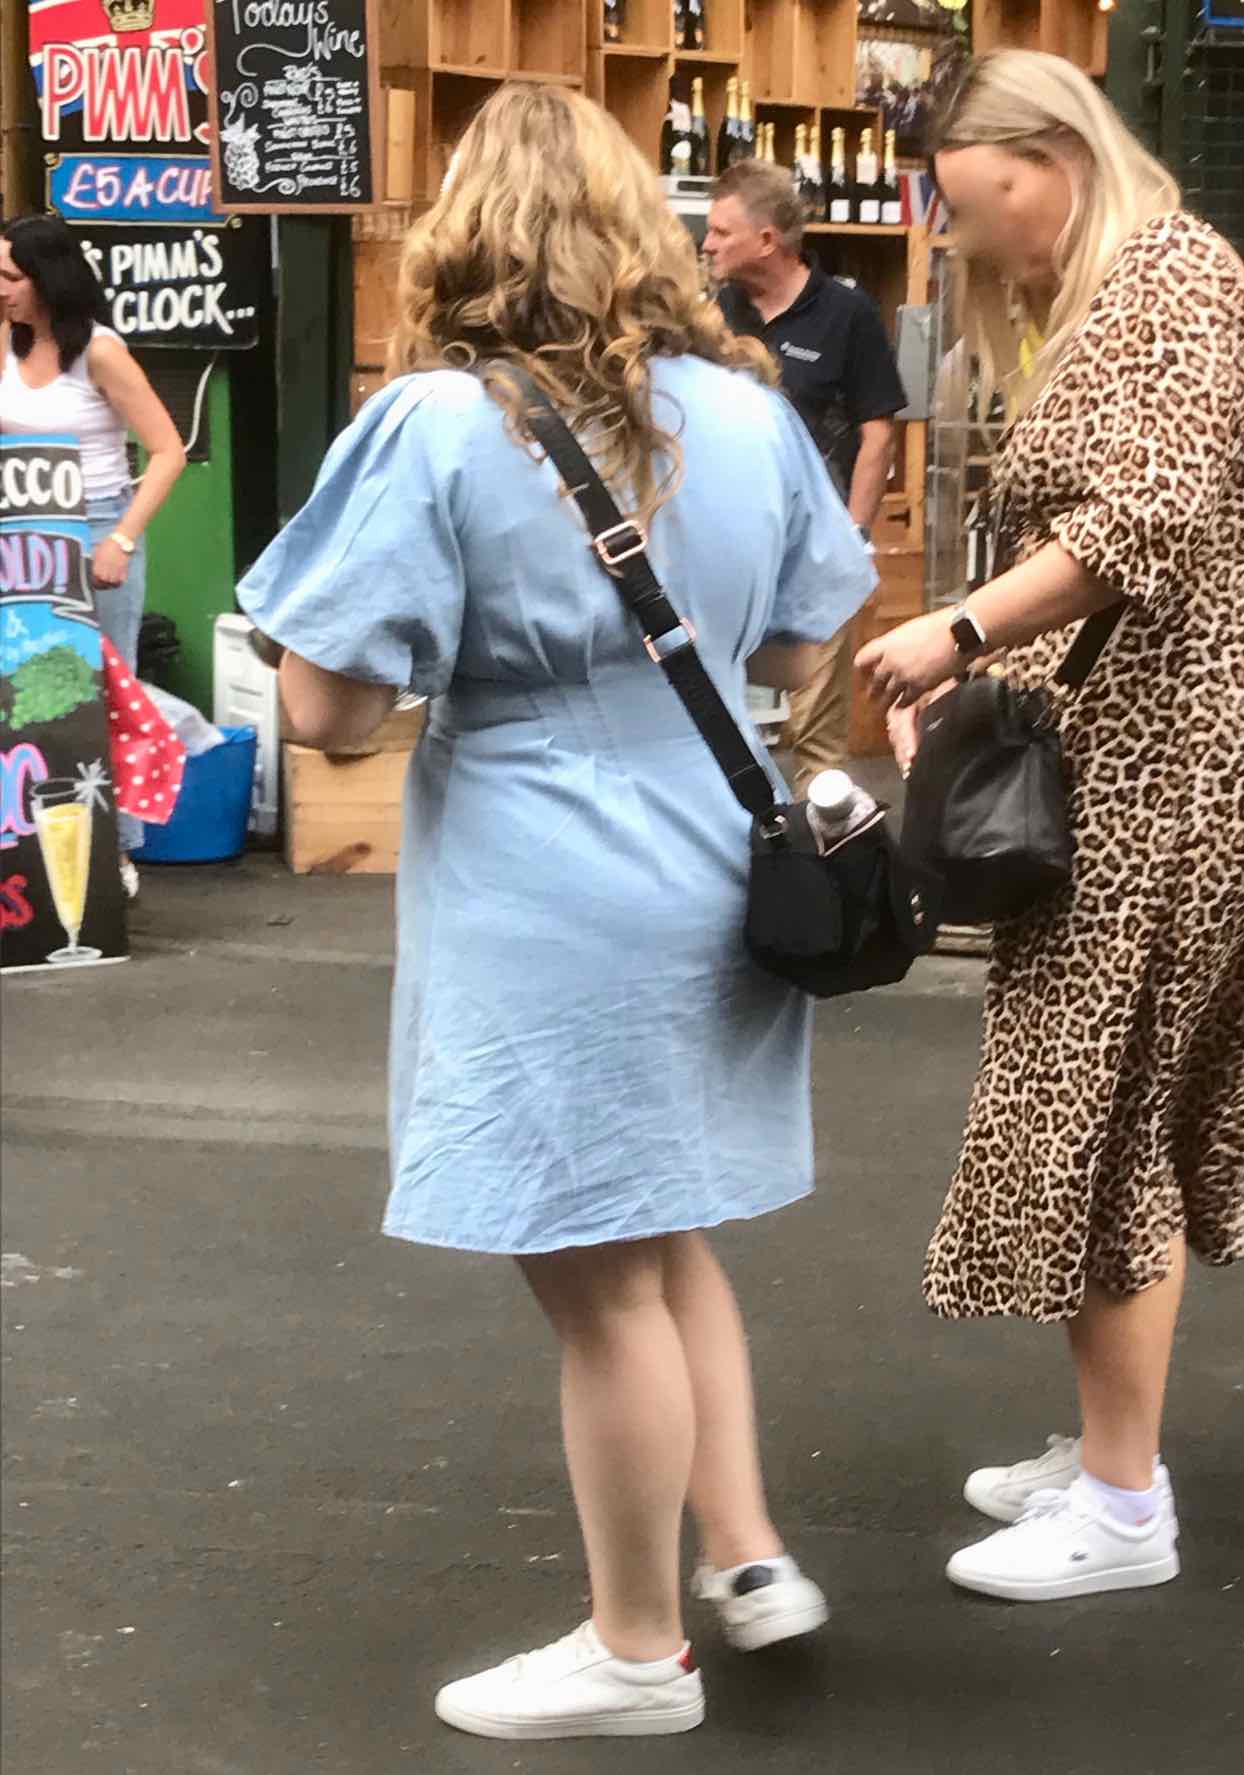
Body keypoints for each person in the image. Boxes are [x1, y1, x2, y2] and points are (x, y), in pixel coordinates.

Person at [237, 84, 874, 1742]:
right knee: (664, 1233)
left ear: (465, 237)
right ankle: (742, 1561)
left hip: (546, 891)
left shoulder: (439, 424)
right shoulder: (744, 413)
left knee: (594, 1285)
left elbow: (325, 714)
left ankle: (637, 1650)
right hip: (720, 872)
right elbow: (804, 656)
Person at [857, 50, 1244, 1602]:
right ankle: (1108, 1447)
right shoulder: (1128, 287)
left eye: (997, 215)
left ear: (1053, 149)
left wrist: (957, 637)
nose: (1000, 252)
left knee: (1103, 1110)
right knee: (1106, 1102)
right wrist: (984, 669)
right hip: (1143, 749)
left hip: (1179, 759)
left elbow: (1141, 528)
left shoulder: (1175, 275)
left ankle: (1125, 1504)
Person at [705, 158, 906, 797]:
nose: (707, 244)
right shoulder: (709, 317)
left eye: (720, 231)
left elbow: (879, 433)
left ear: (767, 240)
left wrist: (854, 533)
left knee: (814, 736)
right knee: (714, 713)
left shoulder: (846, 313)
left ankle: (822, 872)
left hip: (818, 545)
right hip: (728, 544)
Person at [0, 213, 187, 900]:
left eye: (10, 277)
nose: (1, 290)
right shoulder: (4, 341)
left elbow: (167, 451)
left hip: (97, 527)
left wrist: (121, 539)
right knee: (21, 690)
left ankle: (115, 853)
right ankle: (25, 844)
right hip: (20, 532)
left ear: (48, 280)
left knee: (105, 693)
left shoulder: (100, 352)